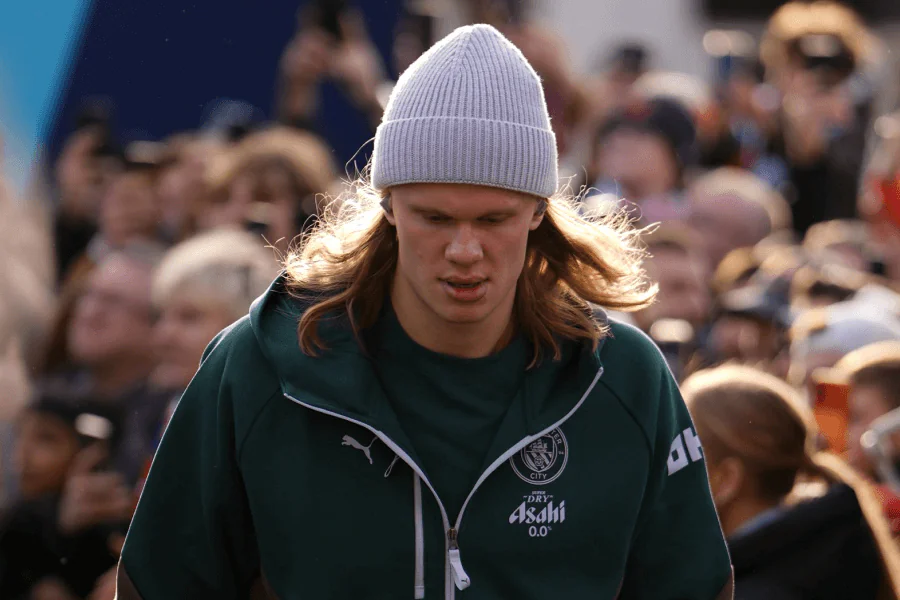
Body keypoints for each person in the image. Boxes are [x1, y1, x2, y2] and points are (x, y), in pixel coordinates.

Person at [119, 24, 733, 599]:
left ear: (539, 212)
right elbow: (160, 582)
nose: (465, 251)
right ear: (387, 207)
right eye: (434, 218)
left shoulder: (621, 377)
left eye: (493, 219)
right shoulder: (261, 364)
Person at [682, 365, 900, 600]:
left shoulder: (755, 587)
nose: (664, 478)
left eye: (678, 458)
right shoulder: (831, 544)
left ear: (725, 479)